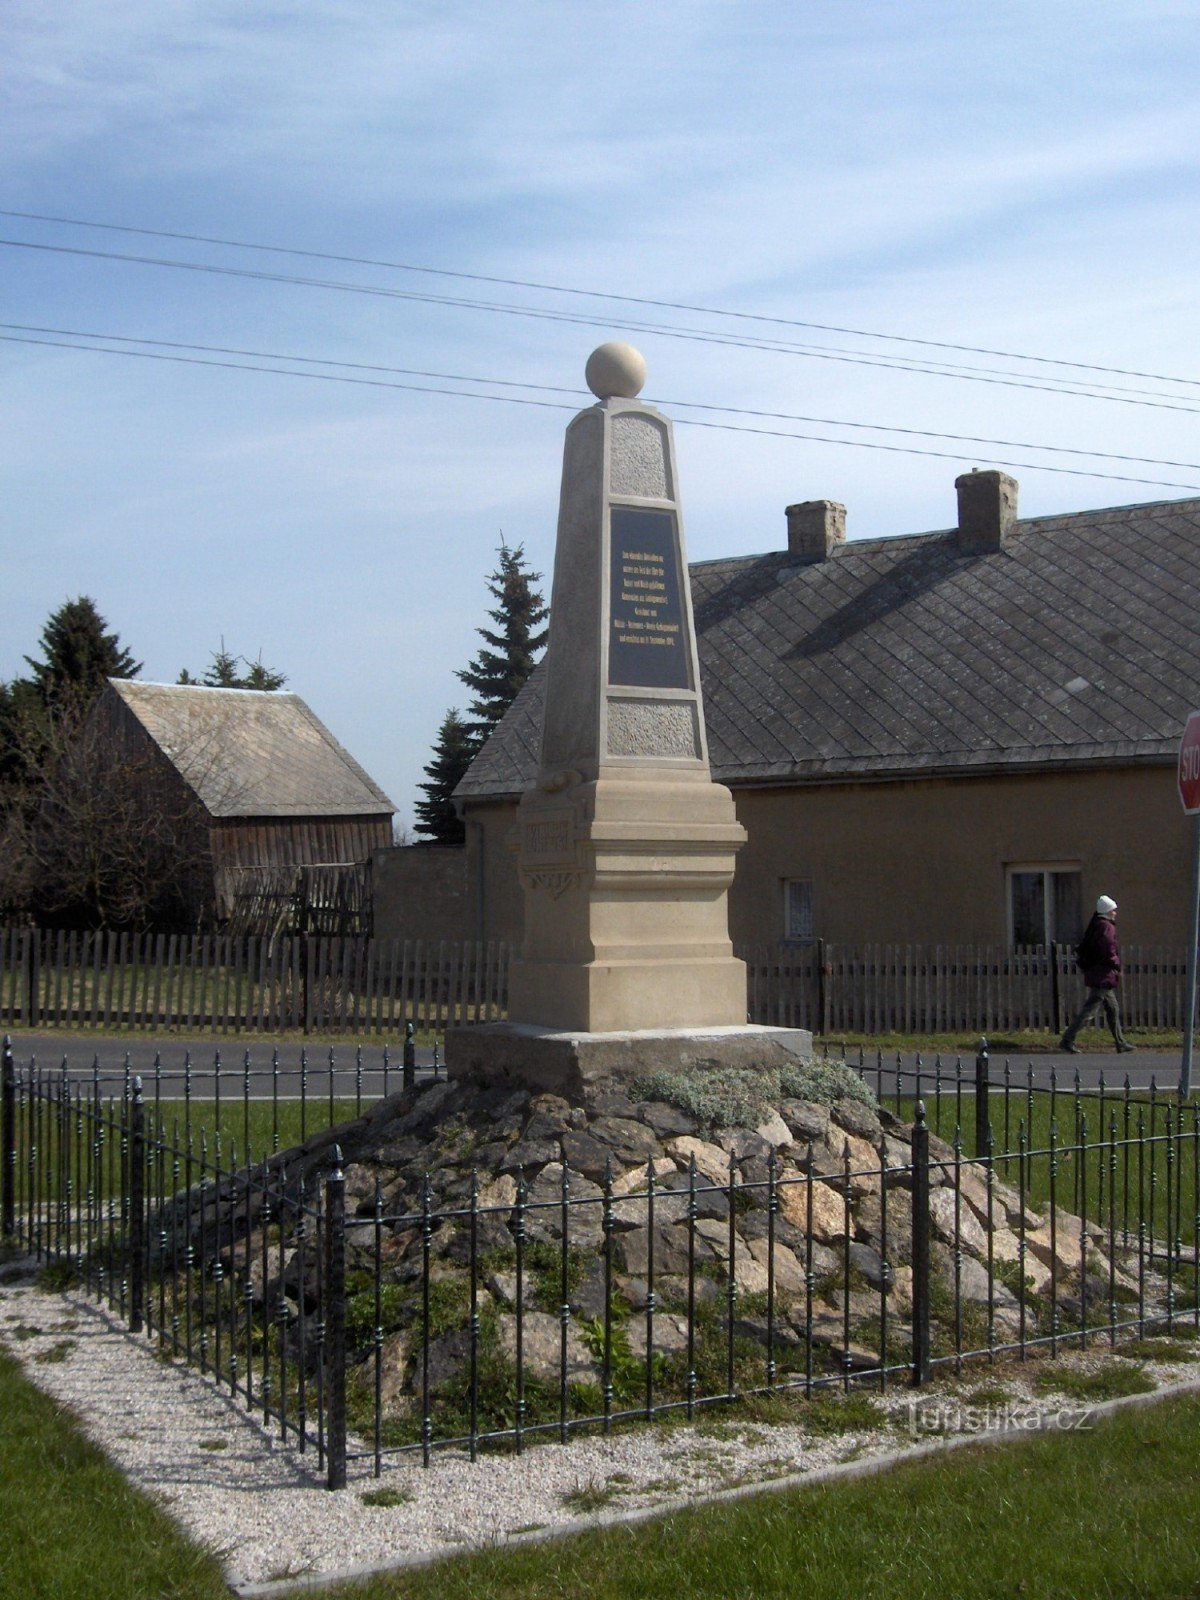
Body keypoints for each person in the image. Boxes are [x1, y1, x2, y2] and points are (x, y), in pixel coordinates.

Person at [1059, 895, 1134, 1054]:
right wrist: (1116, 963)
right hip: (1102, 974)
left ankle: (1120, 1042)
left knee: (1113, 1008)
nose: (1115, 913)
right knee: (1090, 1010)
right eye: (1113, 910)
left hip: (1098, 973)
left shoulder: (1097, 924)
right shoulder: (1106, 927)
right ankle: (1068, 1039)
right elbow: (1108, 949)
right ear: (1108, 911)